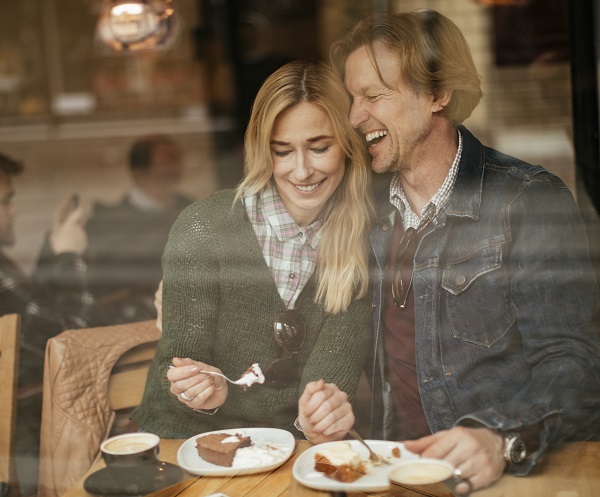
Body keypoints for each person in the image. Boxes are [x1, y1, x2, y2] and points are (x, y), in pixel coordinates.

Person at [329, 9, 600, 493]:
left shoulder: (526, 199)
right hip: (393, 476)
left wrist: (498, 436)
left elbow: (573, 363)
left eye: (373, 95)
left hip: (501, 478)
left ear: (438, 94)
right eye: (353, 98)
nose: (354, 117)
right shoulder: (365, 212)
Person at [131, 61, 374, 443]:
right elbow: (171, 375)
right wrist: (201, 394)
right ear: (264, 152)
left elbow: (326, 389)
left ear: (347, 145)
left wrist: (316, 421)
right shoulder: (204, 228)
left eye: (320, 147)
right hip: (183, 445)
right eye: (282, 151)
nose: (301, 170)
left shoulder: (362, 248)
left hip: (286, 457)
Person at [0, 153, 93, 495]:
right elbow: (70, 333)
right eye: (6, 201)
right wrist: (70, 257)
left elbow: (31, 312)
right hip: (26, 436)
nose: (15, 210)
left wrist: (53, 247)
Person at [85, 135, 193, 325]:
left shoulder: (192, 209)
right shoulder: (106, 223)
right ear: (139, 174)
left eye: (176, 162)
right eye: (166, 163)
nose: (174, 169)